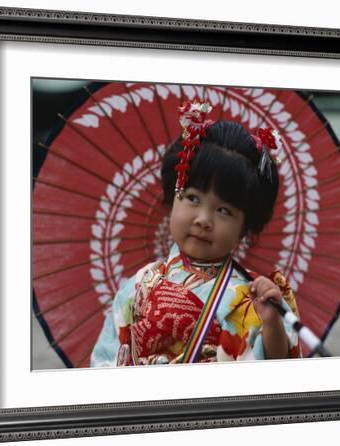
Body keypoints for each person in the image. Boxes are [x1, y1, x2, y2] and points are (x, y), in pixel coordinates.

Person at [90, 101, 301, 367]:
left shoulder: (257, 296)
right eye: (192, 197)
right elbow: (106, 363)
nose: (203, 219)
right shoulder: (136, 288)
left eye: (224, 210)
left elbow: (279, 375)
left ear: (245, 226)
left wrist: (271, 322)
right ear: (171, 198)